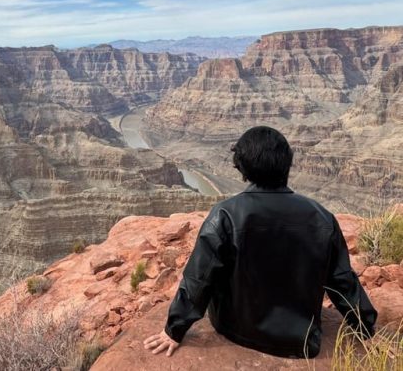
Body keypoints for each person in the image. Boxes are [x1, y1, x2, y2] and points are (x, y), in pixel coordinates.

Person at [143, 126, 377, 358]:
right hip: (301, 339)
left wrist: (174, 330)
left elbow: (199, 278)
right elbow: (342, 280)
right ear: (287, 163)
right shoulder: (322, 217)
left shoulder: (226, 215)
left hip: (236, 329)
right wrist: (365, 327)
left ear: (242, 168)